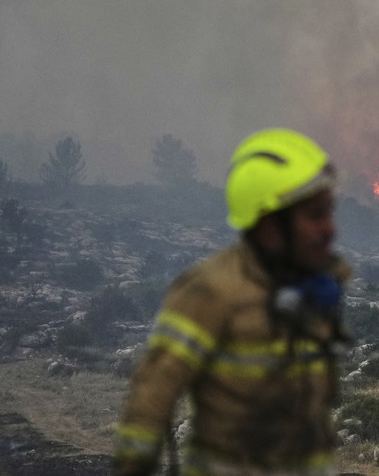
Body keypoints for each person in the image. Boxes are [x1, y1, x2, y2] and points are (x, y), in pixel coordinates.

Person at [114, 128, 352, 476]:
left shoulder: (317, 291)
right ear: (270, 223)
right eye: (315, 216)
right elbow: (151, 399)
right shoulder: (210, 292)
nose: (331, 229)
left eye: (329, 213)